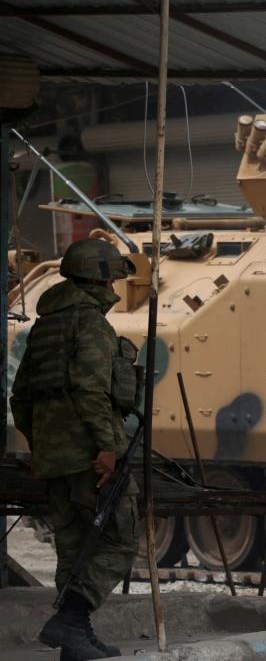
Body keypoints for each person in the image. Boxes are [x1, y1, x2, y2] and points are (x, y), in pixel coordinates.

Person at [11, 238, 139, 660]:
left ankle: (75, 637)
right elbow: (90, 389)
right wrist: (108, 446)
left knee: (74, 543)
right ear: (98, 280)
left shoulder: (44, 327)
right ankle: (70, 620)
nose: (113, 289)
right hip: (89, 454)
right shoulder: (89, 323)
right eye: (111, 280)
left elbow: (20, 395)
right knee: (120, 537)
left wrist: (38, 449)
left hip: (54, 457)